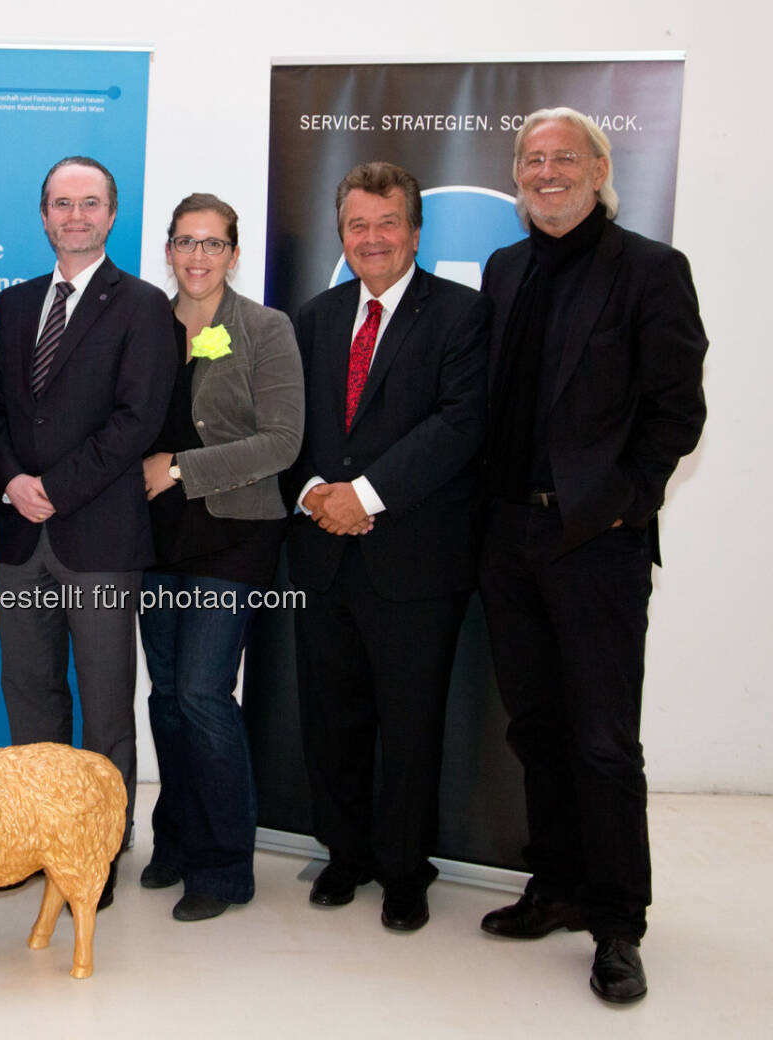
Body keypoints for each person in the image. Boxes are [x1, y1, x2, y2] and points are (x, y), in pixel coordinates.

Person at [477, 107, 707, 1004]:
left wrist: (617, 510)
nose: (546, 172)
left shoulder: (650, 270)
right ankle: (558, 883)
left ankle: (617, 925)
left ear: (599, 167)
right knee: (535, 727)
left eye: (563, 157)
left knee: (604, 741)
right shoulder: (505, 269)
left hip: (596, 544)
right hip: (508, 537)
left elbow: (676, 413)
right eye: (532, 159)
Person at [288, 161, 488, 932]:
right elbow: (293, 426)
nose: (371, 239)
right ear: (343, 233)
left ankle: (406, 870)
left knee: (409, 726)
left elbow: (459, 425)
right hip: (323, 554)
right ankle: (347, 853)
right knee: (331, 718)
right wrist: (314, 494)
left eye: (387, 223)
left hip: (413, 559)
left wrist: (363, 497)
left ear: (414, 230)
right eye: (357, 225)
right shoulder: (314, 316)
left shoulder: (464, 316)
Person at [0, 156, 178, 905]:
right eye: (62, 204)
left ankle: (97, 848)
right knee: (29, 697)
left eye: (90, 204)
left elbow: (137, 423)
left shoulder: (144, 306)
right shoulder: (18, 304)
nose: (76, 217)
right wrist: (11, 482)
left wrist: (53, 488)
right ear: (43, 214)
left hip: (99, 541)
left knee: (103, 705)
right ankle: (37, 839)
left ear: (112, 214)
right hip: (21, 539)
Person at [138, 193, 303, 922]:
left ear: (234, 253)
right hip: (154, 540)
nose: (198, 257)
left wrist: (179, 468)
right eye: (185, 242)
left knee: (203, 695)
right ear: (168, 251)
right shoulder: (143, 323)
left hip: (233, 536)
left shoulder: (265, 329)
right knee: (167, 698)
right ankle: (173, 836)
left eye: (213, 243)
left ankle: (225, 863)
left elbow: (283, 442)